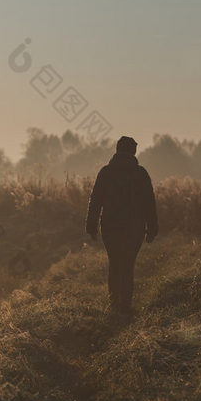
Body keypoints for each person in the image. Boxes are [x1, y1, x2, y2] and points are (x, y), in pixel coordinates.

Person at [85, 136, 158, 320]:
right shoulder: (141, 174)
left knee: (115, 264)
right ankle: (125, 307)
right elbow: (150, 202)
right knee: (127, 266)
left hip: (110, 226)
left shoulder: (106, 172)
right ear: (134, 152)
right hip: (135, 227)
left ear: (117, 150)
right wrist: (153, 227)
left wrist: (91, 225)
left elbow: (95, 200)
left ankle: (114, 305)